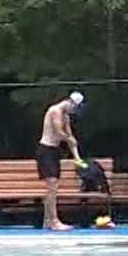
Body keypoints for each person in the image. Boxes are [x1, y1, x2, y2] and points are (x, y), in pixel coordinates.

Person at [37, 90, 88, 231]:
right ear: (70, 102)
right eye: (75, 107)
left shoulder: (65, 117)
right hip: (45, 150)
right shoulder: (55, 111)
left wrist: (77, 158)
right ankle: (53, 221)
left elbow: (71, 139)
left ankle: (47, 221)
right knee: (52, 187)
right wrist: (69, 139)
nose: (75, 111)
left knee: (53, 188)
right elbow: (60, 132)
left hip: (54, 152)